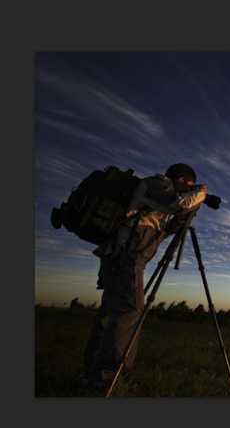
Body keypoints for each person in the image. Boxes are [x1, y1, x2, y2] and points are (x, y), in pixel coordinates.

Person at [81, 163, 208, 392]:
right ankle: (108, 378)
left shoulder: (156, 199)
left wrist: (183, 218)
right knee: (128, 312)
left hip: (120, 256)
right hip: (127, 257)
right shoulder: (159, 183)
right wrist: (201, 192)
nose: (188, 190)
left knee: (110, 314)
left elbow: (163, 230)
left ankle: (91, 373)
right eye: (188, 186)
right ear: (181, 180)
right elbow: (179, 204)